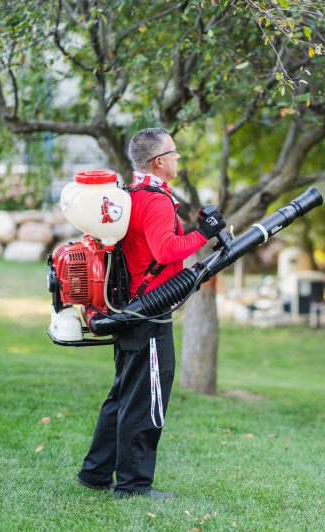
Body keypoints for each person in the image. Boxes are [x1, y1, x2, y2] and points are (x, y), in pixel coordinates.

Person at [76, 127, 225, 499]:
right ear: (159, 161)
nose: (178, 158)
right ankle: (134, 484)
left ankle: (95, 473)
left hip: (128, 307)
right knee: (146, 401)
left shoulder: (132, 195)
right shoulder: (156, 200)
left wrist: (196, 233)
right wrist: (204, 234)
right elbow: (164, 250)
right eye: (174, 153)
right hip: (149, 312)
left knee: (123, 395)